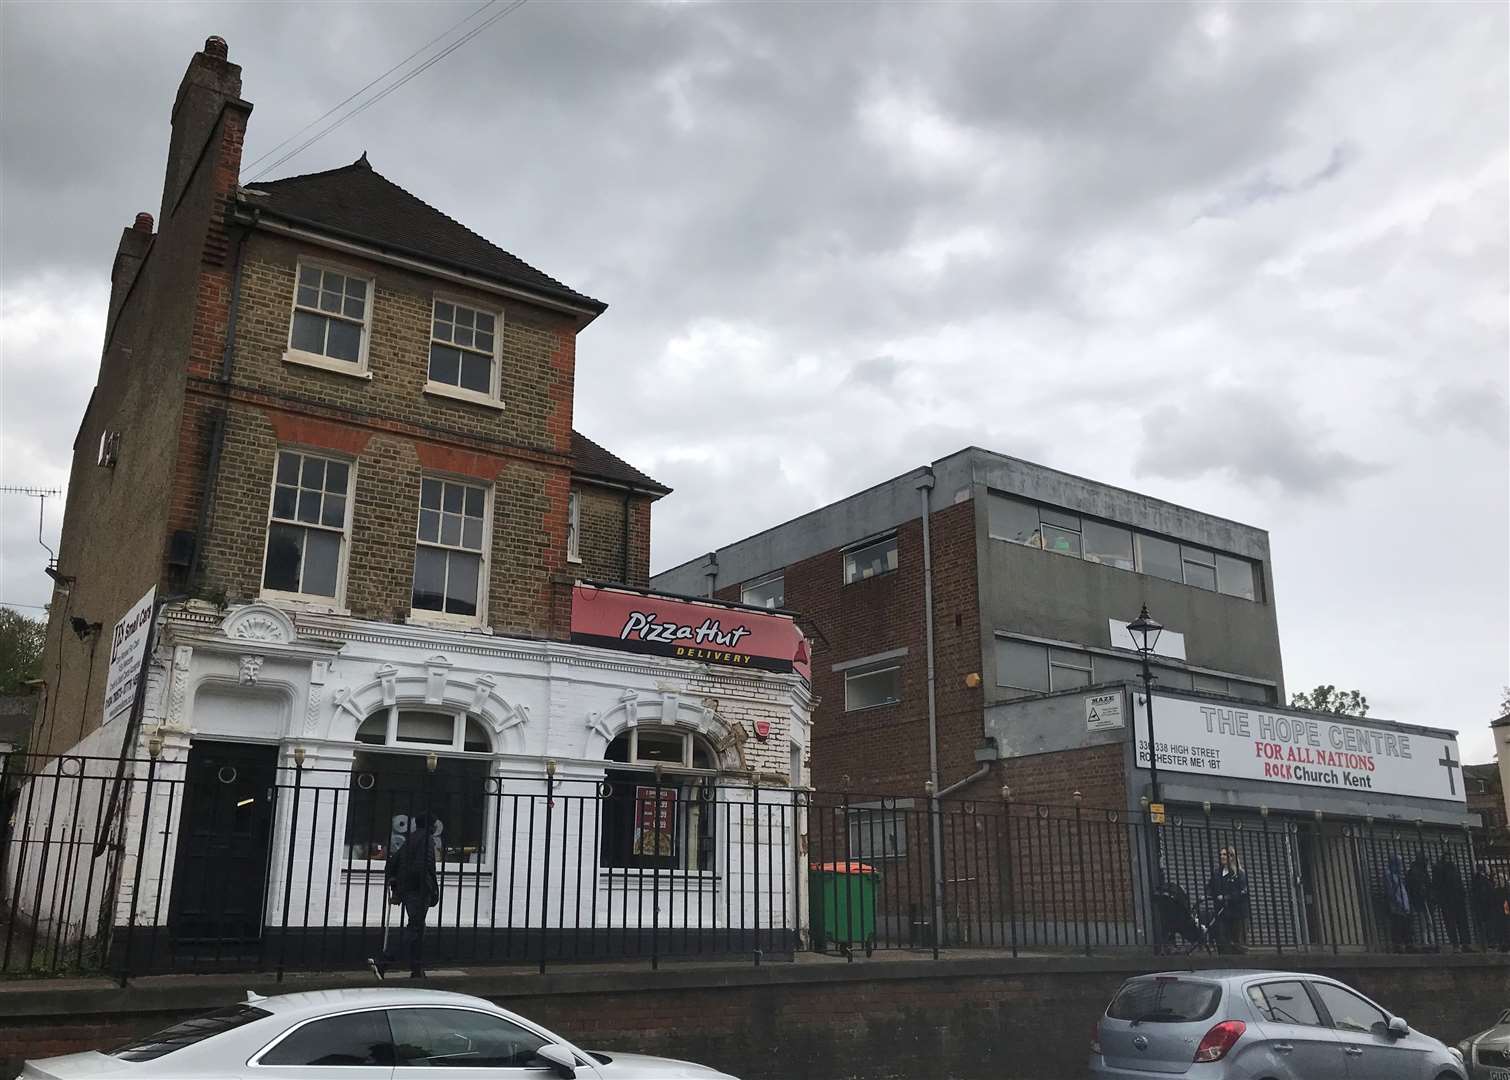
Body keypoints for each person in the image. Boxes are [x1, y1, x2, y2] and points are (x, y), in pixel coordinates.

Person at [380, 813, 440, 978]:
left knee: (418, 929)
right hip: (419, 892)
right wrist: (430, 888)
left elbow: (392, 863)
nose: (436, 827)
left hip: (408, 892)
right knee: (414, 929)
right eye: (434, 824)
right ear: (430, 826)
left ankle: (416, 969)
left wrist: (397, 888)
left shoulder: (411, 840)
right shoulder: (427, 840)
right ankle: (384, 961)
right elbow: (422, 867)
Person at [1207, 846, 1250, 954]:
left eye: (1225, 854)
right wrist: (1211, 895)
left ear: (1232, 857)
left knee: (1238, 943)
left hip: (1237, 913)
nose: (1222, 857)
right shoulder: (1217, 873)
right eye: (1221, 854)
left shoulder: (1239, 873)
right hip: (1222, 912)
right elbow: (1210, 886)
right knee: (1222, 941)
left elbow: (1243, 892)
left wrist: (1227, 897)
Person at [1432, 848, 1469, 952]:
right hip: (1447, 901)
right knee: (1451, 923)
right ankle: (1456, 945)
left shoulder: (1454, 868)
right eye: (1449, 857)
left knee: (1462, 922)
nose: (1451, 859)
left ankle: (1465, 944)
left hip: (1457, 900)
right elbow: (1438, 885)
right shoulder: (1439, 868)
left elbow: (1459, 883)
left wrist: (1462, 894)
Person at [1405, 850, 1435, 949]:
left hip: (1425, 899)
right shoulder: (1415, 871)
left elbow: (1429, 884)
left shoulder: (1422, 871)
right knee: (1424, 920)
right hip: (1420, 899)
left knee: (1428, 920)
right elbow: (1412, 886)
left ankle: (1430, 940)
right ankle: (1427, 941)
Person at [1383, 853, 1412, 952]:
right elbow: (1391, 891)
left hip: (1403, 904)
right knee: (1397, 925)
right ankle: (1398, 946)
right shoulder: (1389, 875)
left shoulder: (1398, 875)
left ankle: (1406, 945)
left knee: (1404, 925)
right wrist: (1399, 903)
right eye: (1399, 863)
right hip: (1397, 906)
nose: (1401, 865)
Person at [1471, 862, 1499, 951]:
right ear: (1484, 869)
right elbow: (1484, 894)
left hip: (1486, 907)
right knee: (1488, 926)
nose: (1489, 869)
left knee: (1488, 926)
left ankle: (1490, 944)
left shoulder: (1482, 879)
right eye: (1487, 867)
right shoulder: (1481, 880)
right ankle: (1490, 944)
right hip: (1486, 908)